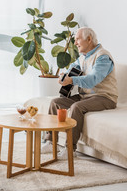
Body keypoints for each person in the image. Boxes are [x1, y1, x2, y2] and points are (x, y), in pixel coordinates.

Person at [41, 27, 118, 159]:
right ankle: (50, 141)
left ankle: (70, 149)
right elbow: (72, 69)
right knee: (55, 103)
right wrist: (64, 75)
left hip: (105, 97)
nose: (75, 43)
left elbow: (93, 80)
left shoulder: (103, 57)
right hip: (86, 96)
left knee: (76, 107)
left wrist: (73, 79)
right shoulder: (82, 57)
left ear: (89, 39)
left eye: (77, 39)